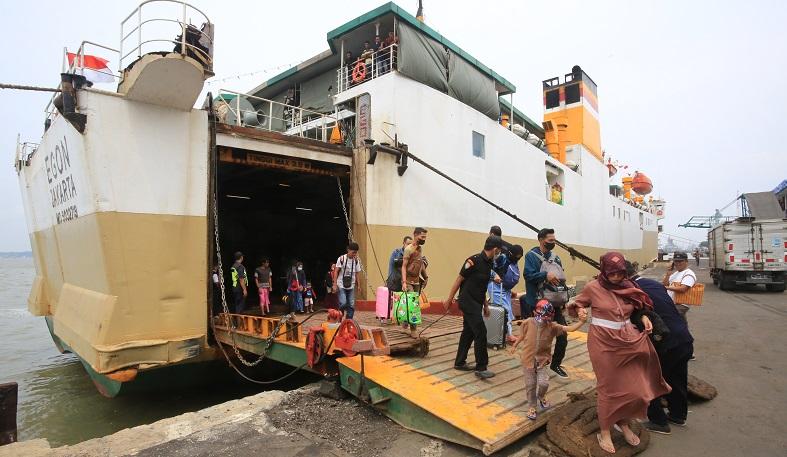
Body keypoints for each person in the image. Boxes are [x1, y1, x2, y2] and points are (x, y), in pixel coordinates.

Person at [567, 252, 670, 454]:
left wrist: (644, 318)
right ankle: (604, 430)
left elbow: (639, 307)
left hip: (628, 340)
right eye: (612, 273)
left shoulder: (629, 286)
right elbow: (577, 302)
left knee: (634, 389)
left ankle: (622, 423)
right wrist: (579, 310)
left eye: (619, 273)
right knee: (609, 388)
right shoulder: (593, 287)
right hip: (602, 342)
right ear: (604, 271)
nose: (616, 277)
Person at [626, 262, 694, 435]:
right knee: (677, 377)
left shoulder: (631, 292)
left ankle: (658, 421)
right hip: (683, 338)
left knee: (649, 379)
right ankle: (678, 415)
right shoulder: (654, 284)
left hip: (665, 342)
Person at [511, 299, 588, 420]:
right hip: (528, 359)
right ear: (534, 313)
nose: (542, 320)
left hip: (542, 360)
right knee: (530, 384)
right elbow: (522, 335)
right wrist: (515, 345)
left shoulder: (552, 326)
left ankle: (541, 396)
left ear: (550, 317)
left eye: (546, 318)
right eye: (539, 317)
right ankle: (532, 406)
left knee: (544, 383)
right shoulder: (528, 322)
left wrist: (582, 322)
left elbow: (570, 329)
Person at [443, 235, 503, 379]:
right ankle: (481, 367)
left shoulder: (489, 263)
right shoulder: (473, 261)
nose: (499, 253)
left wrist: (486, 305)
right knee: (481, 331)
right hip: (467, 301)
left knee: (468, 332)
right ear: (495, 249)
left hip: (476, 302)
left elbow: (482, 286)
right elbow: (459, 279)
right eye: (499, 251)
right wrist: (449, 299)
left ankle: (460, 362)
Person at [524, 228, 570, 378]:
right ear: (541, 239)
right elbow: (528, 275)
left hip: (555, 303)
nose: (553, 243)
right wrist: (545, 275)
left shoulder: (556, 258)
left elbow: (561, 279)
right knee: (539, 337)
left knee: (562, 335)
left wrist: (564, 299)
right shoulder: (531, 256)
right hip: (539, 304)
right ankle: (534, 365)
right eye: (550, 241)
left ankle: (555, 364)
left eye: (554, 240)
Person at [488, 244, 524, 343]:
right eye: (516, 256)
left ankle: (505, 333)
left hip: (505, 289)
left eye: (519, 257)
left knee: (508, 311)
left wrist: (510, 291)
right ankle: (506, 335)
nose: (517, 259)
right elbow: (492, 267)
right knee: (504, 310)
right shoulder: (502, 258)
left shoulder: (513, 261)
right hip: (496, 287)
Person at [401, 228, 429, 337]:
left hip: (417, 282)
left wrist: (425, 277)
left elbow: (420, 264)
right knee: (413, 305)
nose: (423, 239)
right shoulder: (408, 249)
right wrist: (404, 282)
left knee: (411, 304)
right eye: (422, 237)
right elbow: (403, 266)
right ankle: (413, 330)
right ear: (415, 235)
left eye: (425, 237)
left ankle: (404, 325)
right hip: (408, 281)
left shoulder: (420, 249)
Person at [663, 252, 696, 324]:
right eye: (676, 261)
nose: (678, 263)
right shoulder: (676, 273)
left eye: (681, 261)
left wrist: (667, 288)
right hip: (673, 303)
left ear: (686, 261)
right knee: (680, 325)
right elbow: (665, 284)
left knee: (667, 318)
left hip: (681, 304)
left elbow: (683, 289)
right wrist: (668, 274)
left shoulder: (688, 273)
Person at [333, 242, 363, 319]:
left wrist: (359, 285)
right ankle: (339, 315)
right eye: (353, 252)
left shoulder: (356, 261)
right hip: (341, 284)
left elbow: (357, 273)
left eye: (355, 253)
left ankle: (348, 321)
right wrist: (335, 284)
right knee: (343, 303)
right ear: (348, 250)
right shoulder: (341, 259)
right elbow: (336, 271)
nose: (354, 254)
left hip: (351, 285)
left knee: (352, 305)